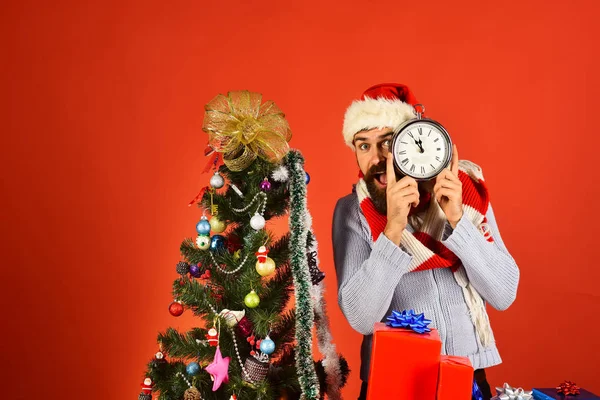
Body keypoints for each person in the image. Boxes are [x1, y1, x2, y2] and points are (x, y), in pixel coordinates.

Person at [332, 83, 520, 400]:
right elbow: (362, 318)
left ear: (415, 143)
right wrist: (392, 228)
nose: (377, 158)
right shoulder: (353, 211)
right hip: (393, 381)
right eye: (363, 146)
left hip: (466, 377)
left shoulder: (466, 197)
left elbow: (503, 294)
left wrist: (458, 220)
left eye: (388, 143)